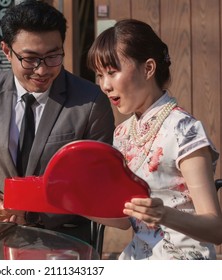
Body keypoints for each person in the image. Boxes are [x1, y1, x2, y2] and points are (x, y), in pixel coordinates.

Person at [0, 0, 115, 244]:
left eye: (53, 56)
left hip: (62, 238)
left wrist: (30, 212)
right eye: (30, 59)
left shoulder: (90, 102)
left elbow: (97, 183)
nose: (42, 70)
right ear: (7, 51)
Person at [86, 18, 222, 259]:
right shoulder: (122, 133)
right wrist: (70, 200)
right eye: (99, 75)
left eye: (112, 72)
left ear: (148, 68)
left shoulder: (184, 130)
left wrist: (164, 215)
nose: (105, 85)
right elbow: (123, 220)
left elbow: (215, 228)